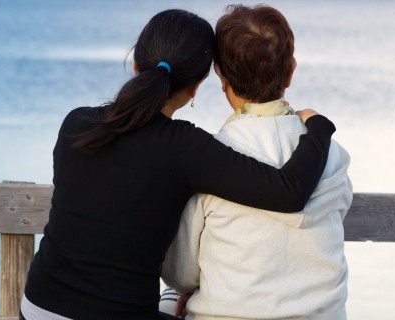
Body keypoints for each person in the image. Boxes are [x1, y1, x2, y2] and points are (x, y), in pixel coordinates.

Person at [21, 8, 337, 320]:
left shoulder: (77, 122)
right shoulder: (186, 148)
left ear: (135, 65)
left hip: (37, 306)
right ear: (198, 84)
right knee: (175, 299)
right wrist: (319, 126)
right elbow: (290, 193)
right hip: (120, 314)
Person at [161, 4, 352, 320]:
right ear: (290, 71)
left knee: (169, 296)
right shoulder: (333, 155)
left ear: (220, 75)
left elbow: (181, 274)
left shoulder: (209, 159)